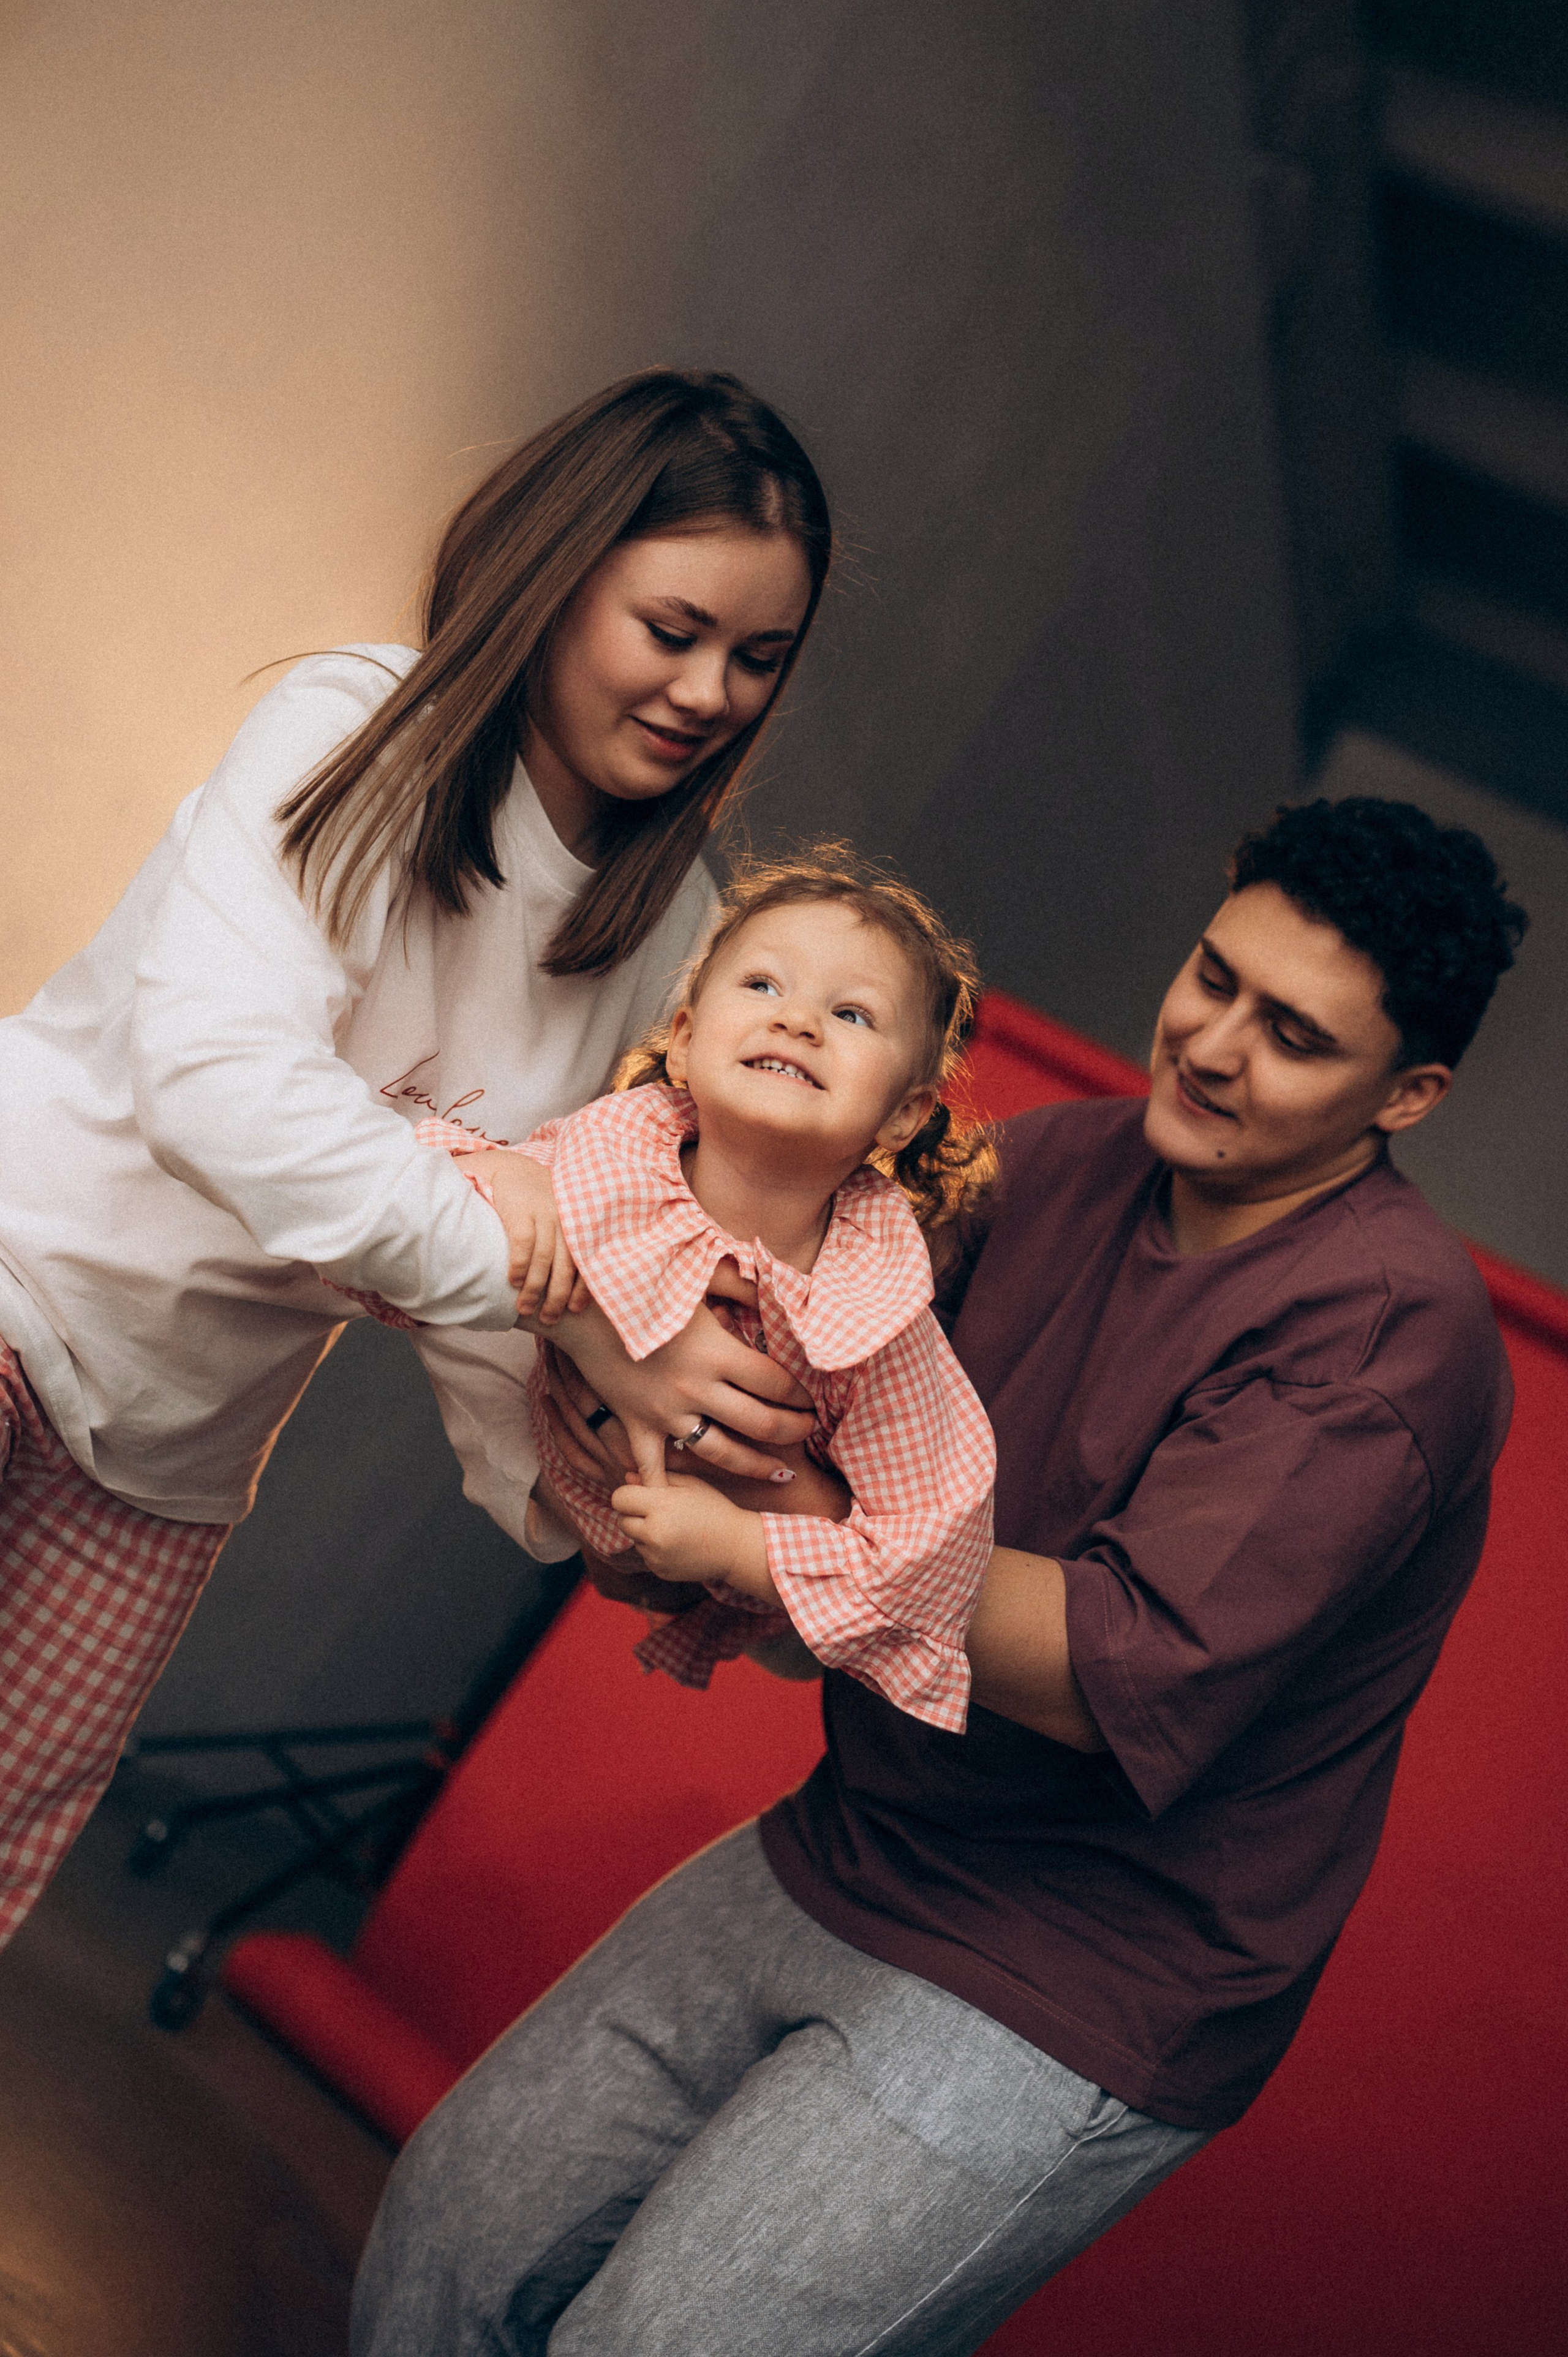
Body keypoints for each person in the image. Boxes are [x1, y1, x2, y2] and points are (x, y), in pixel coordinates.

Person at [352, 796, 1527, 2357]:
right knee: (448, 2232)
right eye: (1213, 975)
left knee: (657, 2344)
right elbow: (784, 1359)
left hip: (1085, 1962)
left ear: (1412, 1094)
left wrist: (769, 1508)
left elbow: (1105, 1664)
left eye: (1295, 1036)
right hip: (867, 1833)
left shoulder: (1384, 1336)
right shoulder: (1054, 1163)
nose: (1213, 1043)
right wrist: (595, 1316)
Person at [0, 366, 832, 1947]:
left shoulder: (676, 932)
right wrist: (578, 1302)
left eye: (757, 660)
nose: (712, 691)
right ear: (559, 570)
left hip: (174, 1439)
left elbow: (512, 1291)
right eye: (675, 630)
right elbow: (223, 1086)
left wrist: (652, 1507)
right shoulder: (365, 720)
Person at [376, 851, 998, 1727]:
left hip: (752, 1588)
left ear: (903, 1114)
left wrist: (742, 1550)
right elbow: (382, 1227)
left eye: (851, 1013)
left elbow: (937, 1547)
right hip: (577, 1512)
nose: (798, 1021)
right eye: (762, 985)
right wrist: (491, 1173)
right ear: (685, 1036)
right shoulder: (601, 1163)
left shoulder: (873, 1308)